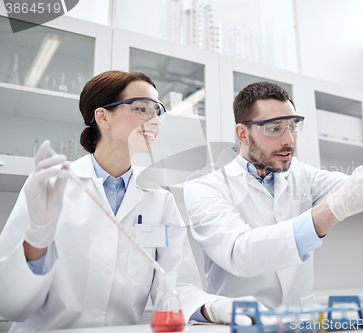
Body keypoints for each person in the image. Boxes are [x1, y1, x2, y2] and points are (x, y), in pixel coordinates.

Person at [0, 71, 266, 332]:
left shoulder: (159, 201)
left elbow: (176, 286)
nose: (155, 120)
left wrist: (215, 307)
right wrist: (37, 237)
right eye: (141, 109)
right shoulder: (50, 186)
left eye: (158, 111)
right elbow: (9, 304)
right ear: (103, 116)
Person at [184, 61, 363, 309]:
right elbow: (240, 254)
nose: (288, 140)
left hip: (300, 322)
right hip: (241, 325)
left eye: (293, 127)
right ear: (243, 134)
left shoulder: (303, 176)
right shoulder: (205, 186)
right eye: (274, 129)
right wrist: (334, 208)